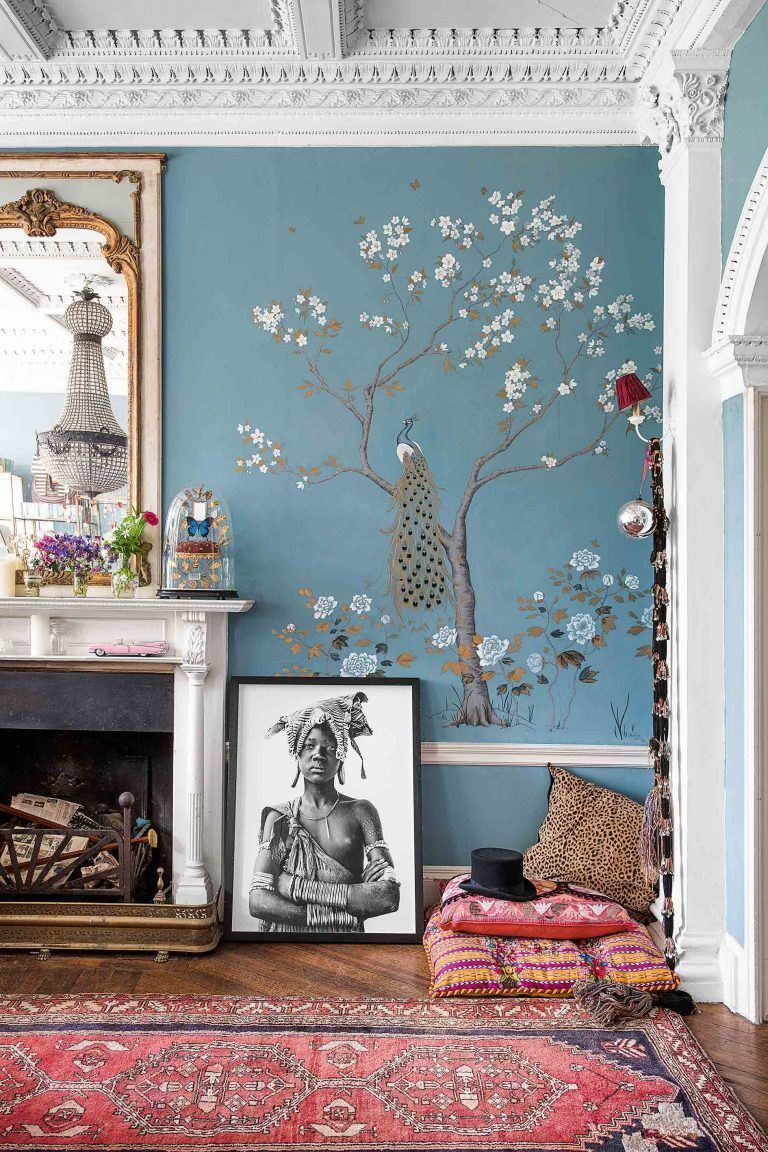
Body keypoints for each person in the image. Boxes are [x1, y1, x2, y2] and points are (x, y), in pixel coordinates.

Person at [249, 691, 400, 932]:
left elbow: (387, 896)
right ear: (297, 754)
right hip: (285, 946)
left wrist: (293, 887)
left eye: (330, 747)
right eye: (309, 746)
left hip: (345, 946)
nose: (318, 754)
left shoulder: (361, 812)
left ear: (342, 756)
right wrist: (351, 903)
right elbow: (258, 901)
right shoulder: (279, 818)